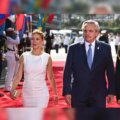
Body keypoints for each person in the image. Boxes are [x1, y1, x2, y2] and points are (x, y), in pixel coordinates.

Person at [63, 20, 115, 108]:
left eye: (90, 31)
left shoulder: (106, 48)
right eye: (85, 30)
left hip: (99, 94)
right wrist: (67, 91)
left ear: (97, 33)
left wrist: (111, 91)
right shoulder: (73, 49)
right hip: (78, 94)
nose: (87, 33)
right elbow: (67, 72)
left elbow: (110, 71)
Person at [10, 29, 58, 107]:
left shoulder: (47, 57)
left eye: (37, 39)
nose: (34, 41)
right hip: (27, 94)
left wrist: (55, 94)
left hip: (42, 94)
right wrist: (12, 89)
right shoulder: (24, 56)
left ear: (42, 41)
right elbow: (18, 76)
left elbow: (51, 77)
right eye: (32, 39)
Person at [4, 28, 20, 92]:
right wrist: (17, 34)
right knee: (10, 71)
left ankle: (11, 84)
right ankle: (8, 87)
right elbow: (17, 41)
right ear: (9, 33)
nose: (13, 33)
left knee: (14, 71)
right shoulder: (8, 38)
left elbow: (15, 46)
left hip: (13, 54)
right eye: (12, 32)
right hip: (9, 55)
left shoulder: (11, 38)